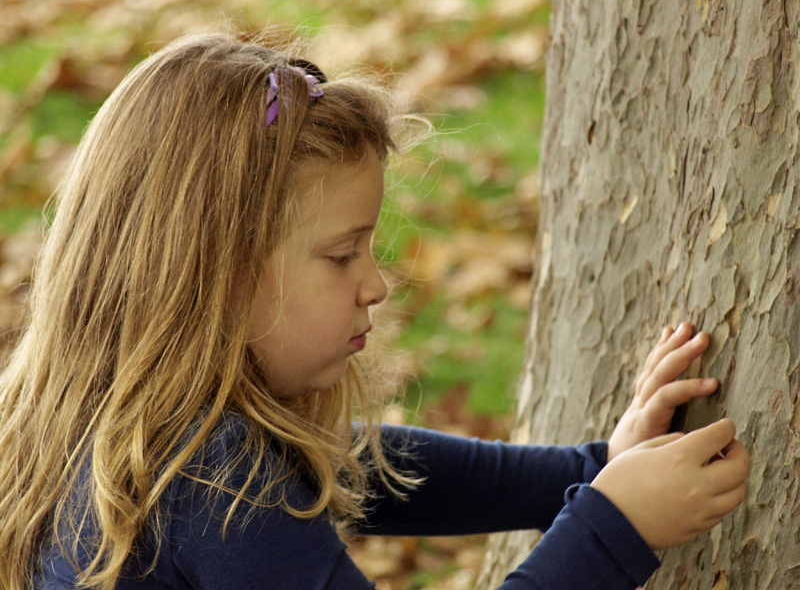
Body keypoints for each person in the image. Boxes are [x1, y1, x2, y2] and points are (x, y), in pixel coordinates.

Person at [0, 31, 750, 590]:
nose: (375, 285)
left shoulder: (109, 434)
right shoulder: (211, 479)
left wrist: (597, 468)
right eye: (341, 254)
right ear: (217, 271)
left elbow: (361, 465)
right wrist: (611, 529)